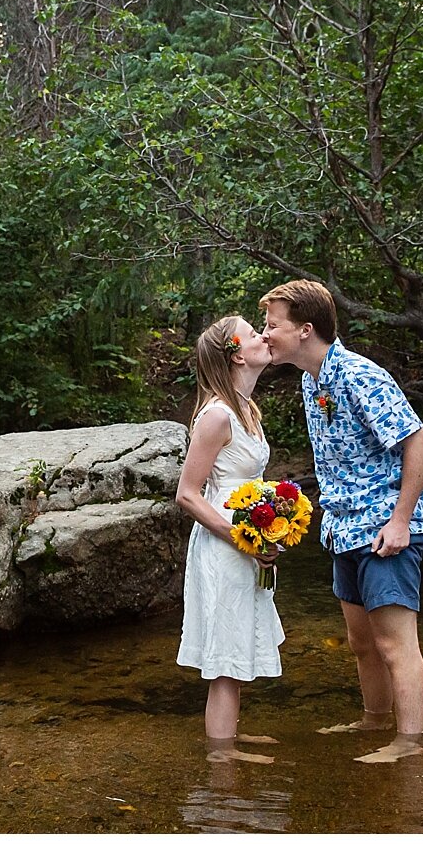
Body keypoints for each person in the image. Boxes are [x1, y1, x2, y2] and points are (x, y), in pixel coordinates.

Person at [259, 280, 423, 764]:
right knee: (362, 643)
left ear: (305, 330)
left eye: (273, 325)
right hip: (343, 529)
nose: (265, 334)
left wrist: (400, 522)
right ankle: (374, 721)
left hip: (385, 529)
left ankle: (408, 744)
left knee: (395, 643)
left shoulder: (359, 376)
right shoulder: (311, 380)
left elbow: (421, 443)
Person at [175, 315, 284, 765]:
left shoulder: (246, 409)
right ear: (237, 354)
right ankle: (222, 759)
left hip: (246, 546)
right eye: (254, 332)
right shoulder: (217, 415)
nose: (264, 335)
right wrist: (242, 538)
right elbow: (186, 494)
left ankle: (229, 738)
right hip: (223, 550)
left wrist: (275, 523)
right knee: (223, 660)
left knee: (238, 646)